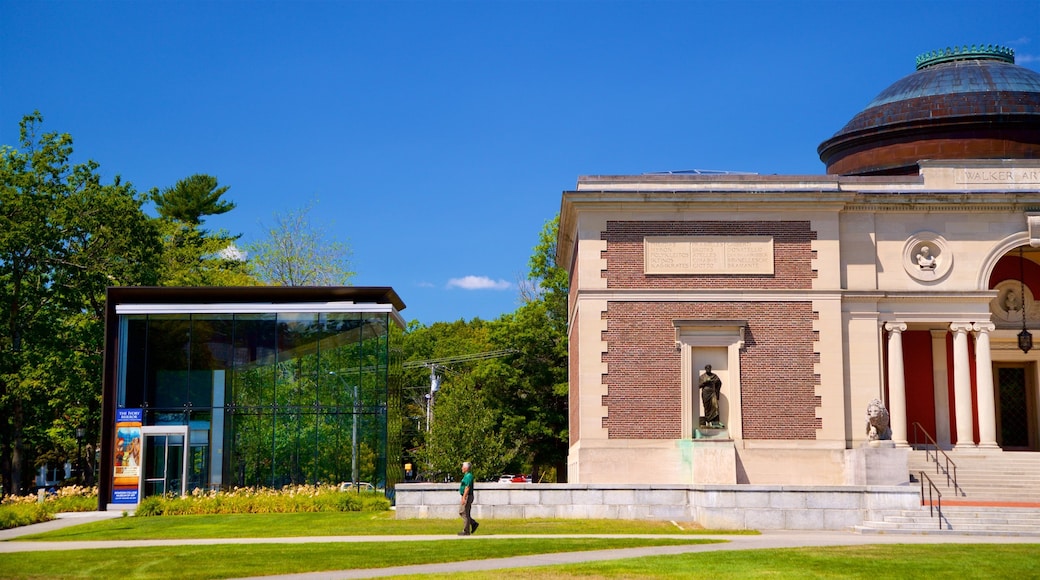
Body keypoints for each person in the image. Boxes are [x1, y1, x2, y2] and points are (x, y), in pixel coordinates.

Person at [458, 461, 479, 535]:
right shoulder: (466, 476)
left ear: (466, 468)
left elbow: (467, 487)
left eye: (463, 467)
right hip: (466, 496)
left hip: (467, 496)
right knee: (464, 512)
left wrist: (464, 497)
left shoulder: (468, 476)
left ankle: (466, 531)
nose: (462, 468)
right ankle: (473, 523)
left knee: (464, 512)